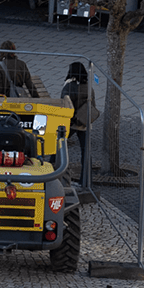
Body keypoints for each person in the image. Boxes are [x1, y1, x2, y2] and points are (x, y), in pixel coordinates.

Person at [60, 61, 94, 192]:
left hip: (71, 123)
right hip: (85, 123)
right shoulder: (89, 87)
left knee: (58, 147)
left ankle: (56, 174)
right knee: (86, 152)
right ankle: (86, 181)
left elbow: (63, 104)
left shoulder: (69, 87)